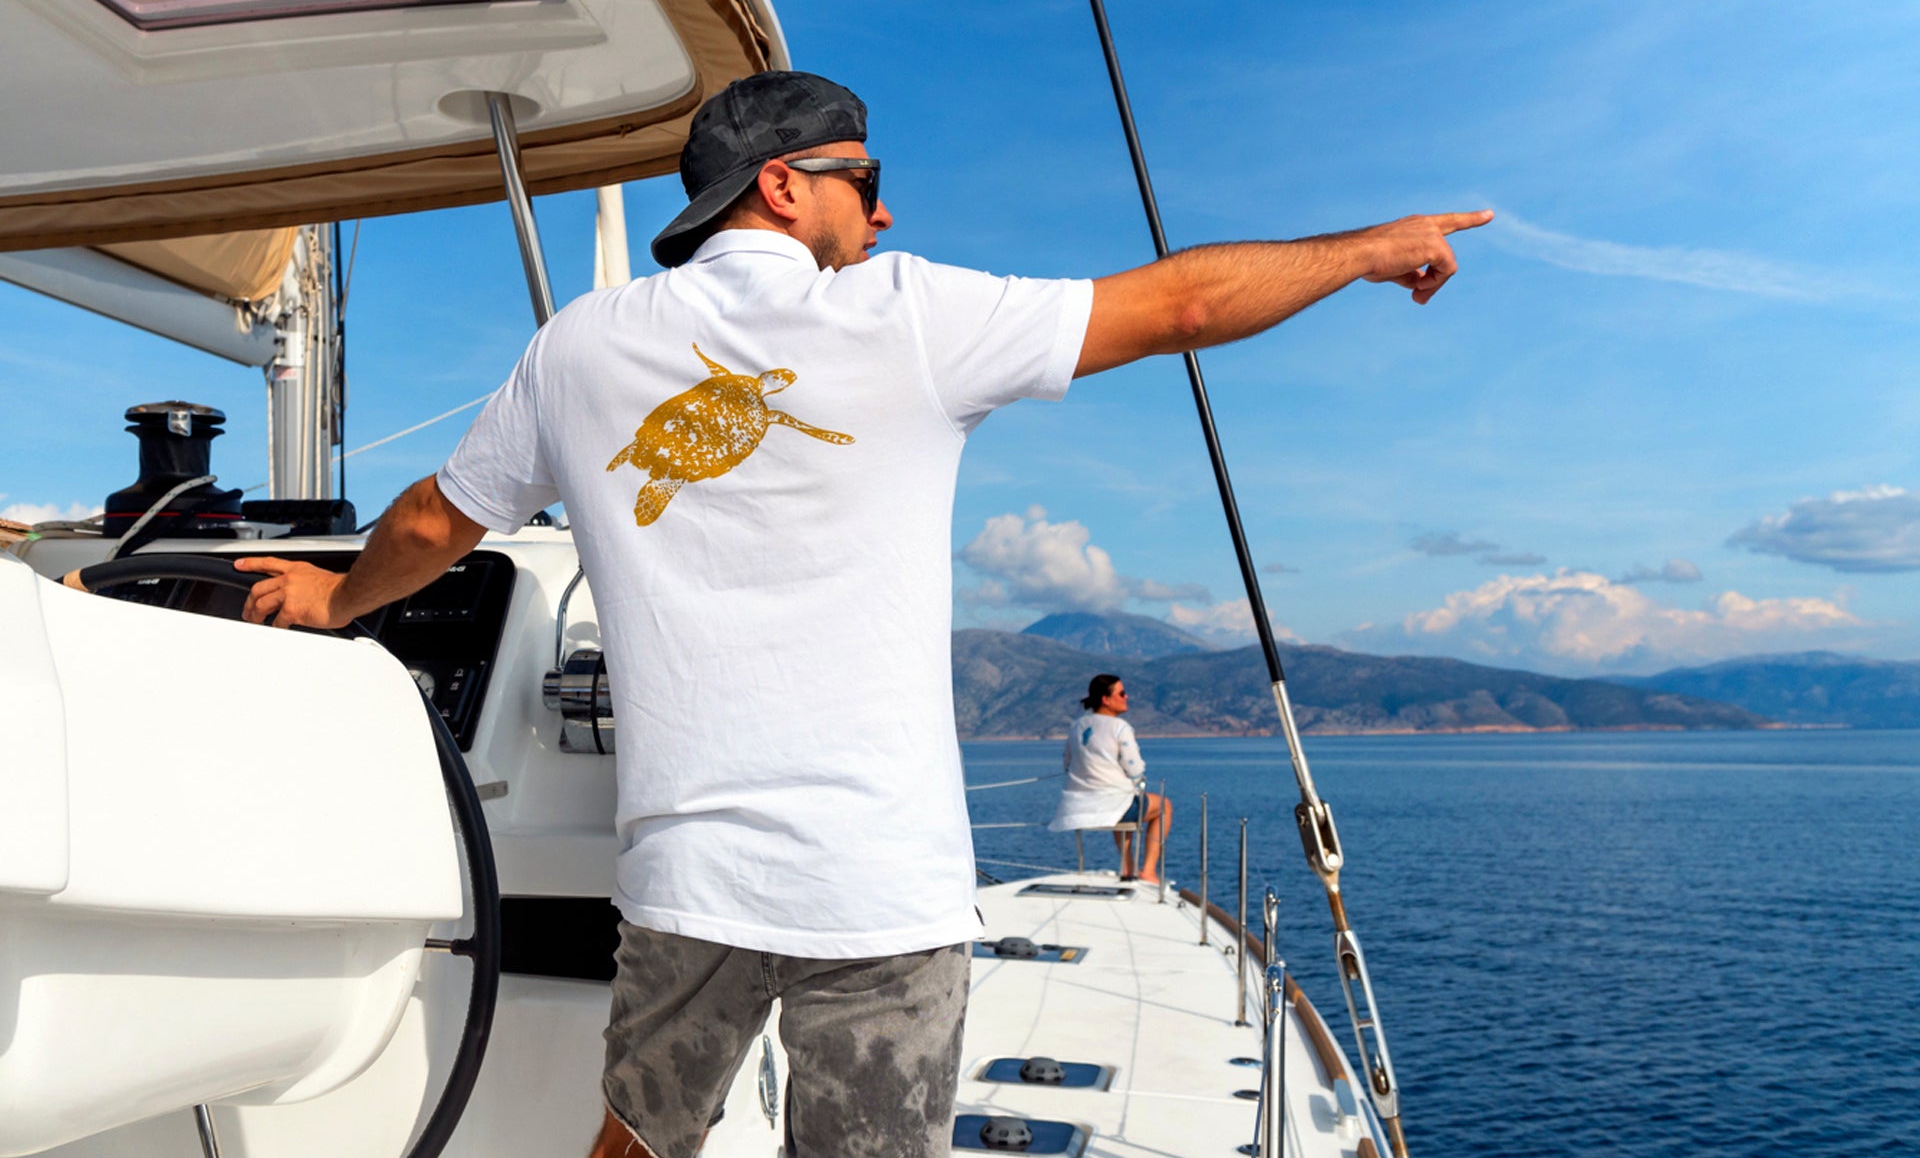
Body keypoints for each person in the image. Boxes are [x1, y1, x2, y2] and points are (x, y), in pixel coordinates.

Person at [236, 69, 1490, 1158]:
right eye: (864, 177)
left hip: (686, 877)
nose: (883, 210)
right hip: (879, 891)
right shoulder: (907, 314)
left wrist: (335, 598)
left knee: (638, 1135)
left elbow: (432, 521)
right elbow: (1186, 306)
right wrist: (1377, 247)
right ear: (784, 186)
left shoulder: (579, 345)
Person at [1050, 674, 1169, 881]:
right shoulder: (1119, 727)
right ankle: (1148, 870)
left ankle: (1128, 867)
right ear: (1106, 699)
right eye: (1122, 693)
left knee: (1121, 803)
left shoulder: (1076, 726)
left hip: (1076, 807)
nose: (1126, 696)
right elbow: (1135, 769)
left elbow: (1067, 764)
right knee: (1164, 806)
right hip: (1111, 804)